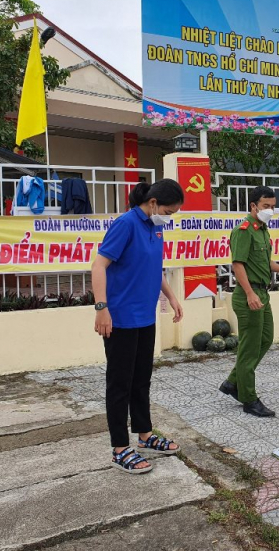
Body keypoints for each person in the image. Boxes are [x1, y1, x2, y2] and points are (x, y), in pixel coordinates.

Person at [91, 179, 185, 474]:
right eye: (168, 212)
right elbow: (98, 266)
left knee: (141, 379)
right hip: (120, 318)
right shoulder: (126, 224)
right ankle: (119, 448)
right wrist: (101, 309)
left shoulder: (154, 227)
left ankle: (144, 435)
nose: (168, 218)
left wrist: (172, 297)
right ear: (153, 203)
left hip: (146, 316)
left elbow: (154, 269)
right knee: (120, 384)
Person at [218, 186, 279, 417]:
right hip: (249, 295)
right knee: (250, 348)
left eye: (273, 206)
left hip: (261, 293)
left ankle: (233, 382)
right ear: (253, 206)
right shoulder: (243, 230)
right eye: (266, 206)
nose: (270, 210)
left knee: (266, 339)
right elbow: (238, 265)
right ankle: (249, 398)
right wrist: (249, 293)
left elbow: (264, 263)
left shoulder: (262, 230)